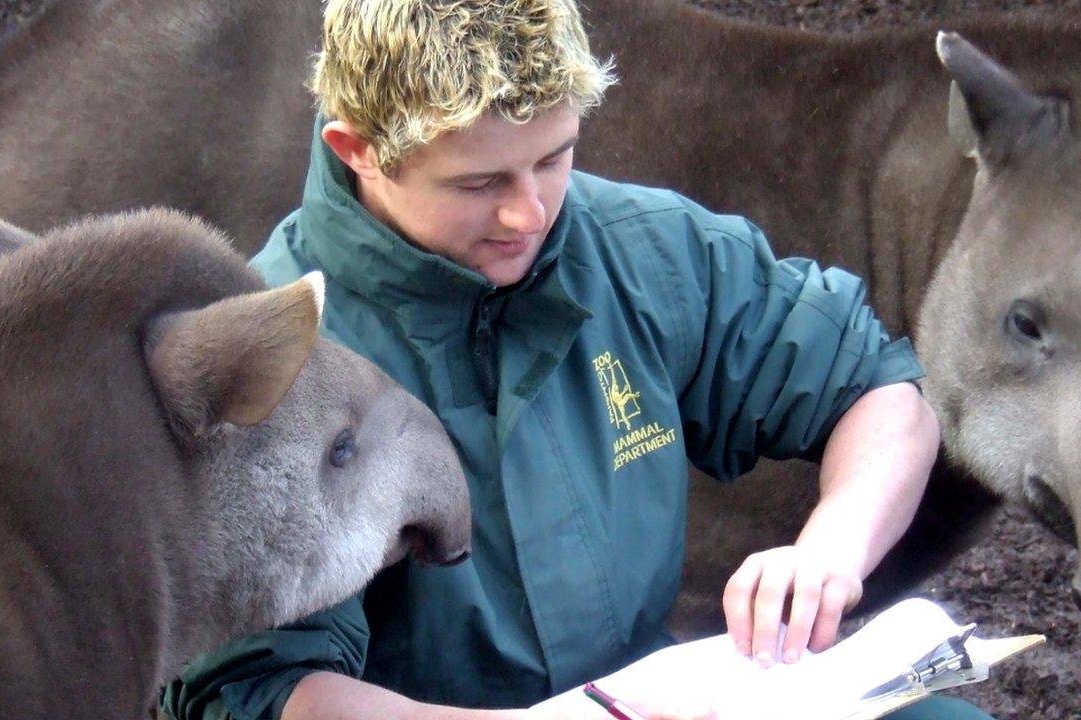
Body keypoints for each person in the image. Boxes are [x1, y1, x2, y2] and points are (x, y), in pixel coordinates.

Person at [160, 1, 994, 719]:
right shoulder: (277, 357)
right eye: (479, 182)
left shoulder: (641, 249)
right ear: (358, 149)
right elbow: (260, 691)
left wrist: (828, 554)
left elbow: (882, 392)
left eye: (553, 158)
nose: (529, 214)